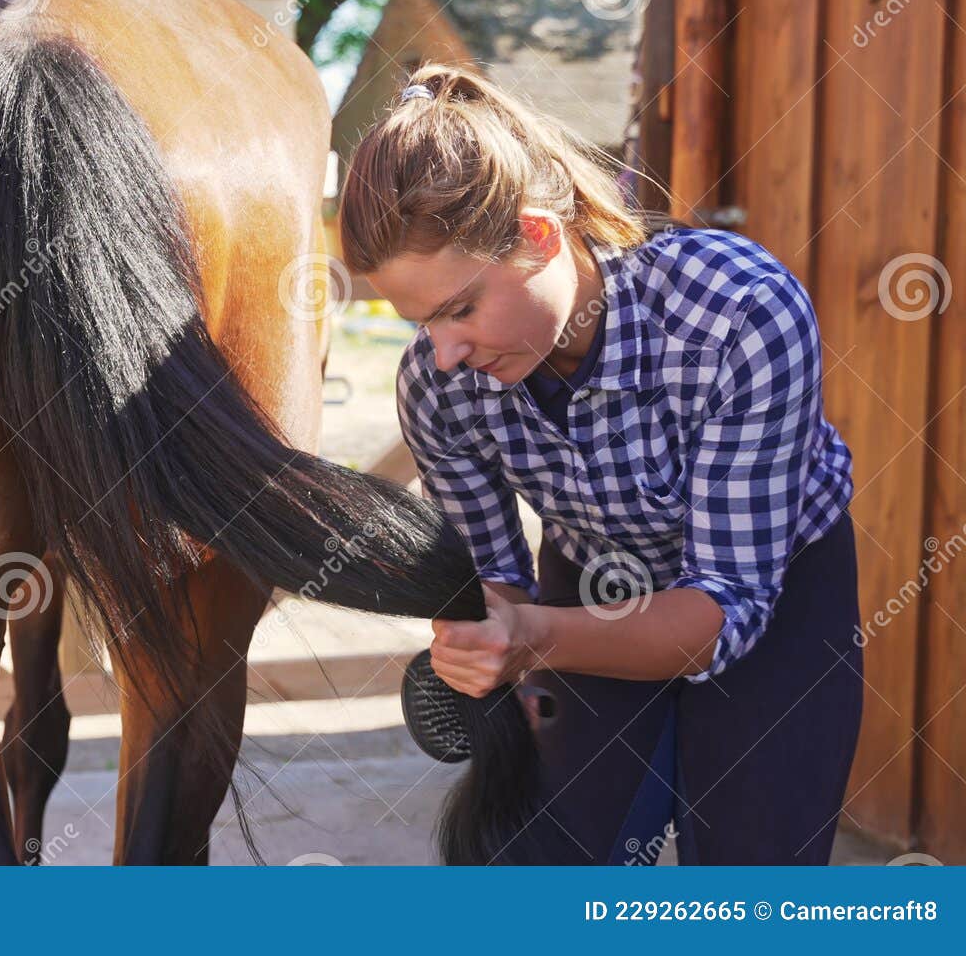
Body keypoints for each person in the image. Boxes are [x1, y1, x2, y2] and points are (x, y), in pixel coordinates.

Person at [338, 64, 861, 864]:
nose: (444, 356)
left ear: (540, 235)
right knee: (566, 861)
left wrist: (532, 636)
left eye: (461, 309)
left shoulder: (738, 314)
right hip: (593, 577)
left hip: (774, 588)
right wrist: (480, 640)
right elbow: (494, 587)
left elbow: (720, 612)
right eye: (421, 323)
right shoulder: (439, 386)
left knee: (756, 876)